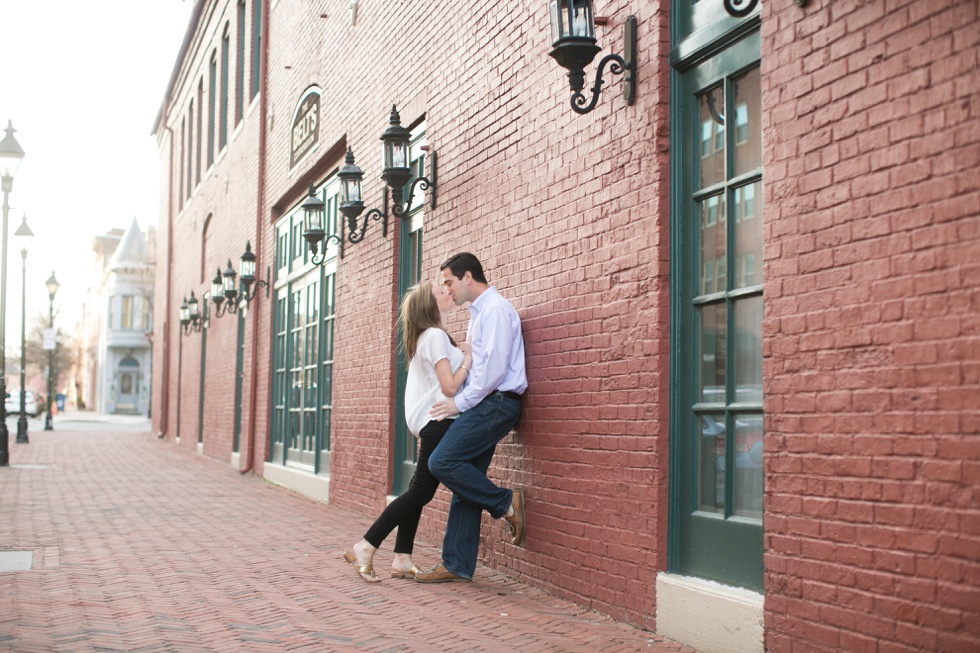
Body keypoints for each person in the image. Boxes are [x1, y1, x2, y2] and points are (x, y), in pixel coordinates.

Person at [343, 281, 472, 583]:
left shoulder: (431, 338)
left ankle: (402, 557)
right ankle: (365, 546)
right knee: (420, 492)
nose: (446, 290)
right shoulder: (436, 336)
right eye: (439, 289)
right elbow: (450, 387)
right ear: (430, 305)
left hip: (431, 424)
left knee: (418, 490)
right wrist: (468, 360)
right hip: (438, 423)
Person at [415, 252, 528, 584]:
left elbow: (491, 372)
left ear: (467, 277)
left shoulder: (494, 310)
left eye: (448, 282)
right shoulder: (480, 313)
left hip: (497, 403)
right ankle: (457, 564)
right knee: (467, 479)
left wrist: (458, 404)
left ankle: (506, 502)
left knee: (442, 462)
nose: (447, 290)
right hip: (489, 403)